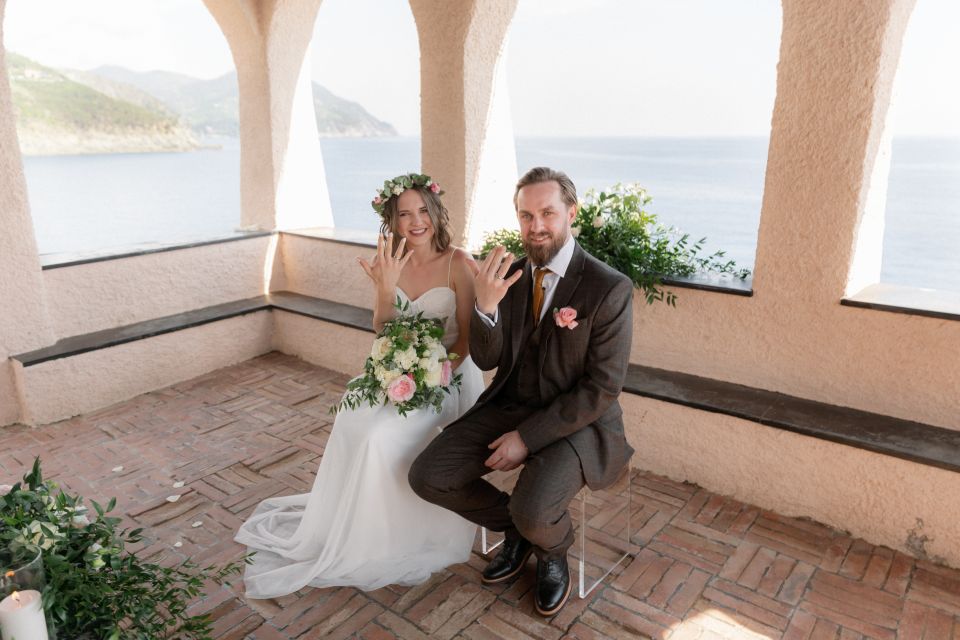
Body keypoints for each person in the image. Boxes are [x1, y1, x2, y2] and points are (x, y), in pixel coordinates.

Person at [235, 173, 484, 597]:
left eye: (422, 211)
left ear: (435, 212)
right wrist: (385, 287)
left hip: (449, 378)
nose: (416, 221)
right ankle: (352, 525)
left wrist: (433, 373)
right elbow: (382, 328)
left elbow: (466, 339)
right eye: (404, 214)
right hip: (401, 373)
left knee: (380, 436)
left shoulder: (458, 263)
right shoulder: (390, 258)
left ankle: (391, 536)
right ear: (393, 220)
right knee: (352, 419)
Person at [409, 166, 634, 616]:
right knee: (429, 476)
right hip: (509, 404)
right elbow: (487, 359)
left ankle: (551, 549)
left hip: (576, 425)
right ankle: (521, 531)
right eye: (526, 216)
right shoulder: (507, 275)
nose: (536, 226)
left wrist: (526, 439)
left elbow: (602, 388)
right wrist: (486, 307)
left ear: (572, 213)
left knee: (534, 510)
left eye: (547, 213)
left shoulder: (609, 287)